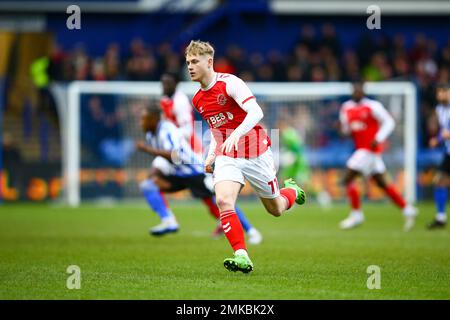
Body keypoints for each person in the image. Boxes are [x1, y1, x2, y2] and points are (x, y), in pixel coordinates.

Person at [185, 40, 306, 273]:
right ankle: (241, 255)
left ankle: (292, 191)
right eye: (188, 62)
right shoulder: (198, 99)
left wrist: (236, 135)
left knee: (276, 208)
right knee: (223, 201)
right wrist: (211, 155)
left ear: (209, 62)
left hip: (256, 153)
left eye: (195, 62)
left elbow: (256, 112)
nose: (190, 67)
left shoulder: (230, 83)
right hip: (227, 156)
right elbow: (215, 129)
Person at [158, 71, 263, 241]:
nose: (164, 86)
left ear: (176, 84)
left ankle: (250, 230)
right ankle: (169, 219)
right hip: (179, 157)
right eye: (162, 83)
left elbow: (186, 131)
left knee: (217, 197)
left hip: (192, 157)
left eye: (167, 82)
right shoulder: (165, 102)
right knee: (208, 198)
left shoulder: (180, 102)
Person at [136, 106, 263, 244]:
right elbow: (162, 159)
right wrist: (155, 171)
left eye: (143, 119)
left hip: (195, 172)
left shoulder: (167, 130)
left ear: (154, 119)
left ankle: (251, 231)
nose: (140, 123)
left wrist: (147, 150)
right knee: (148, 185)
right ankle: (169, 221)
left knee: (219, 202)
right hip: (177, 174)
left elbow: (175, 155)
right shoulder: (151, 134)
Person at [339, 81, 417, 231]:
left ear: (363, 90)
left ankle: (356, 215)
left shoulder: (373, 106)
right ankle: (408, 209)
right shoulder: (346, 108)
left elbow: (389, 122)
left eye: (359, 89)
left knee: (348, 177)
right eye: (355, 89)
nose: (357, 92)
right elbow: (347, 130)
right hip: (363, 150)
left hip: (369, 149)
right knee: (382, 184)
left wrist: (379, 138)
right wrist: (342, 130)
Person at [427, 84, 450, 229]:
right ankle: (440, 218)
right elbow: (445, 131)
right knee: (440, 181)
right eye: (439, 93)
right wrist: (438, 139)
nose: (441, 95)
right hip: (448, 153)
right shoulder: (440, 109)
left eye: (444, 92)